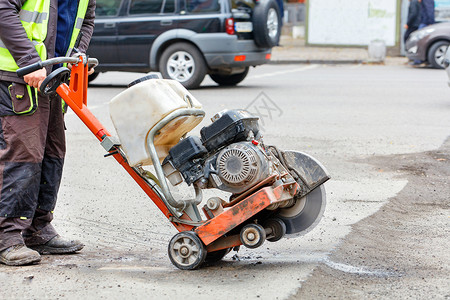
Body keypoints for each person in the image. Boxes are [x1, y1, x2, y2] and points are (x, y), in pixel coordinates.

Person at [0, 0, 96, 266]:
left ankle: (38, 229)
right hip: (18, 75)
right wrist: (30, 62)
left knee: (52, 153)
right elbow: (3, 9)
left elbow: (85, 20)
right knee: (23, 154)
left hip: (55, 77)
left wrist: (78, 54)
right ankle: (6, 236)